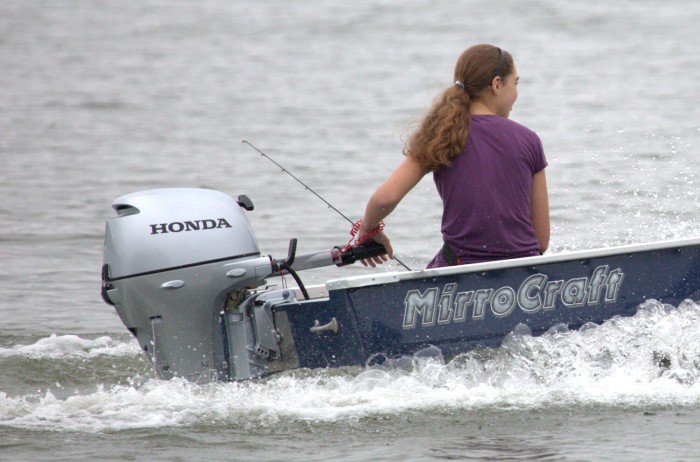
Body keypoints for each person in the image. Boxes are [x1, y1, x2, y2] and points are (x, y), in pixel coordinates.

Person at [356, 44, 550, 268]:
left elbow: (384, 198)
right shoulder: (528, 140)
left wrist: (368, 228)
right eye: (515, 83)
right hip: (524, 273)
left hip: (460, 270)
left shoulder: (442, 136)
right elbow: (541, 241)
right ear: (497, 84)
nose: (516, 92)